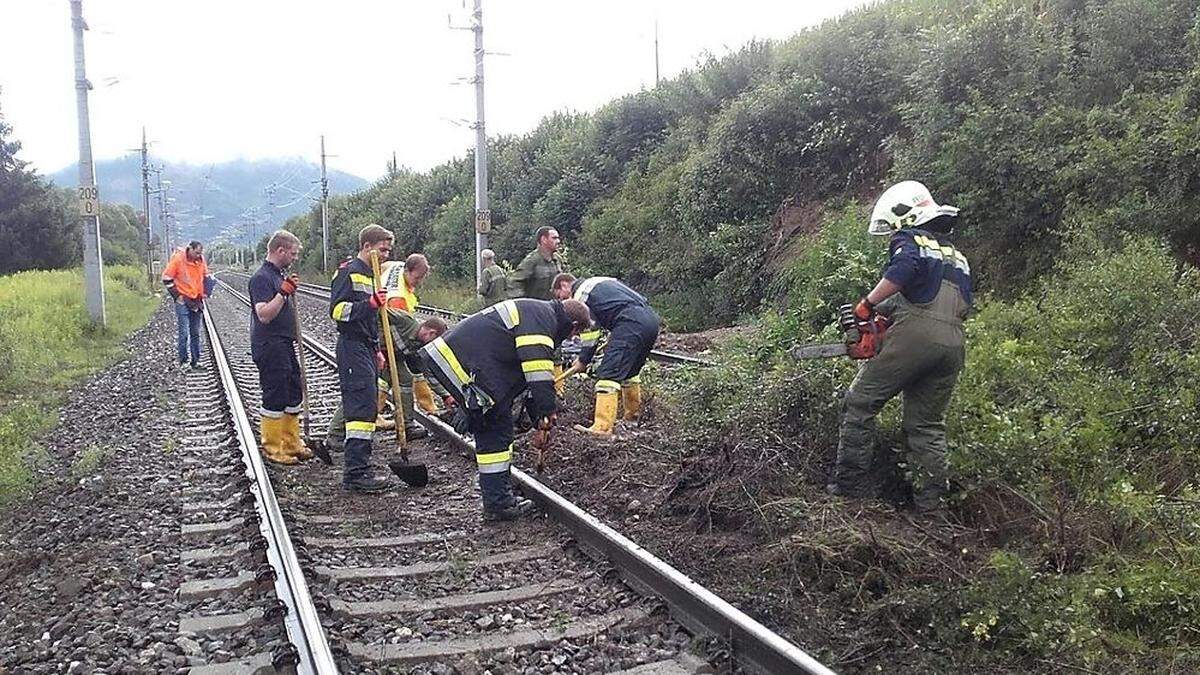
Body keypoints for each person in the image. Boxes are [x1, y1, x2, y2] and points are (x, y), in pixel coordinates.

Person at [826, 181, 972, 514]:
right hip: (952, 344)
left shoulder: (909, 240)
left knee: (860, 403)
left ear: (904, 216)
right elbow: (940, 299)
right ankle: (931, 506)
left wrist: (867, 305)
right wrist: (886, 314)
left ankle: (850, 488)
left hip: (915, 339)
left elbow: (903, 272)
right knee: (926, 425)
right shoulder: (957, 255)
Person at [419, 298, 591, 521]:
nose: (571, 339)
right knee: (496, 434)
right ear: (574, 324)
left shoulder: (538, 311)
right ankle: (498, 505)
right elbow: (537, 372)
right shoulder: (542, 320)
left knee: (497, 428)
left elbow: (528, 378)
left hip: (470, 366)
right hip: (467, 369)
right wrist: (548, 411)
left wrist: (540, 416)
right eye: (574, 334)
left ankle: (498, 497)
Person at [326, 254, 450, 447]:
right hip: (373, 349)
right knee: (364, 390)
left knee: (406, 380)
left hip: (391, 356)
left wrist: (446, 395)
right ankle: (335, 434)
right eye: (433, 339)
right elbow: (378, 312)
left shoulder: (418, 348)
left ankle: (406, 425)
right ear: (428, 331)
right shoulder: (404, 320)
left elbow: (427, 372)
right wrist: (374, 337)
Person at [552, 274, 661, 438]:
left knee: (608, 374)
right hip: (650, 320)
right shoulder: (601, 281)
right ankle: (632, 419)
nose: (563, 302)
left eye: (560, 296)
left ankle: (602, 428)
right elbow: (616, 306)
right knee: (629, 373)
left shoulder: (581, 294)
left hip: (629, 323)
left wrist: (583, 360)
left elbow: (590, 331)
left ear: (565, 285)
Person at [329, 224, 395, 493]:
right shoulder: (348, 272)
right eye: (382, 249)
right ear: (367, 246)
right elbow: (337, 311)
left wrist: (377, 348)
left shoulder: (372, 275)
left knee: (368, 406)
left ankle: (361, 467)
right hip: (351, 346)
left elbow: (372, 317)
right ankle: (356, 473)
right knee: (359, 408)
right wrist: (368, 304)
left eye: (389, 250)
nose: (387, 255)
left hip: (366, 347)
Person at [247, 230, 311, 464]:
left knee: (293, 389)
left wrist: (286, 288)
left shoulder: (278, 275)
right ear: (280, 250)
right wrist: (283, 293)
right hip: (269, 344)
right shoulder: (261, 278)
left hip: (283, 343)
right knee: (275, 393)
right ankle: (273, 447)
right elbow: (263, 314)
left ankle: (292, 443)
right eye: (292, 253)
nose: (294, 257)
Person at [510, 227, 568, 393]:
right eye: (554, 238)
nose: (558, 241)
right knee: (535, 354)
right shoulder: (532, 260)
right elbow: (515, 282)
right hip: (535, 316)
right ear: (543, 240)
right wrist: (522, 307)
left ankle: (558, 392)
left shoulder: (557, 260)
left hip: (554, 313)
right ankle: (531, 391)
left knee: (556, 352)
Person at [162, 241, 215, 370]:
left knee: (195, 332)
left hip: (196, 300)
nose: (198, 255)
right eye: (196, 252)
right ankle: (183, 361)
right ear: (189, 249)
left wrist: (207, 292)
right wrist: (177, 296)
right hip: (183, 300)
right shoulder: (178, 260)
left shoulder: (201, 261)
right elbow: (166, 278)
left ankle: (195, 361)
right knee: (184, 332)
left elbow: (206, 277)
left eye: (200, 253)